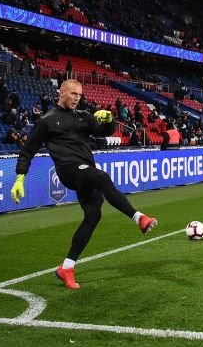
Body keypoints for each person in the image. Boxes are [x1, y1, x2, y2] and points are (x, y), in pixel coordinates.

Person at [13, 79, 158, 290]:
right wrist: (20, 177)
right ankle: (139, 218)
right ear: (61, 92)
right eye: (73, 94)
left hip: (85, 172)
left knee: (93, 215)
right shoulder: (47, 121)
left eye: (79, 95)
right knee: (101, 177)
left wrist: (109, 119)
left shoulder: (82, 116)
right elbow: (28, 150)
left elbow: (105, 131)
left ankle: (67, 267)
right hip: (70, 171)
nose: (76, 98)